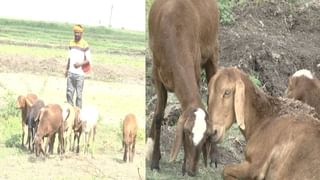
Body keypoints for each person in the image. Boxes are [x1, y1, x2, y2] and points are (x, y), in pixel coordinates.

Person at [64, 24, 92, 108]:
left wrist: (80, 64)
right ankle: (70, 112)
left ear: (81, 34)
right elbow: (69, 58)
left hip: (80, 74)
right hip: (71, 72)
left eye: (78, 33)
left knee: (79, 95)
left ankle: (78, 115)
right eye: (75, 32)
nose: (76, 34)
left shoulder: (85, 44)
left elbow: (88, 60)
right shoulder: (71, 43)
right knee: (69, 93)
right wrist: (66, 69)